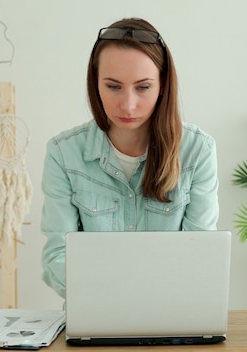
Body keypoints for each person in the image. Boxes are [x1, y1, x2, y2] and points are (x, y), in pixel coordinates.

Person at [40, 18, 219, 299]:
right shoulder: (64, 154)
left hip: (173, 318)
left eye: (143, 87)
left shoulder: (198, 151)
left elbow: (202, 258)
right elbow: (57, 258)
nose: (128, 105)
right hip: (95, 316)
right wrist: (115, 296)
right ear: (95, 84)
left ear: (163, 86)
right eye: (113, 87)